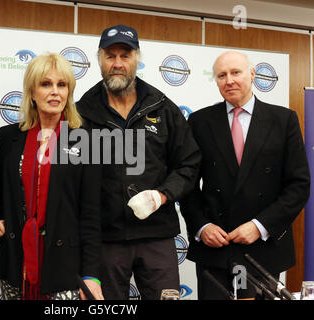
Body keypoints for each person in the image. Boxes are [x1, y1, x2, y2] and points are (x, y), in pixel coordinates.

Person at [76, 24, 201, 300]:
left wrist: (162, 195)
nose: (118, 64)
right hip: (104, 242)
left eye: (125, 55)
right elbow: (70, 181)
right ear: (99, 59)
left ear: (137, 59)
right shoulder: (80, 114)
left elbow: (189, 164)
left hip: (157, 237)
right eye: (110, 56)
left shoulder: (163, 107)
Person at [180, 50, 311, 300]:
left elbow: (298, 185)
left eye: (235, 72)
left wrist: (259, 226)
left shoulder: (283, 120)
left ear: (252, 75)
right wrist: (202, 226)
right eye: (221, 75)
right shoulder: (199, 121)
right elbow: (187, 183)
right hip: (215, 248)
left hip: (263, 249)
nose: (229, 80)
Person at [0, 53, 103, 300]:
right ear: (32, 92)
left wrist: (91, 275)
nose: (55, 92)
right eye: (46, 84)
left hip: (64, 267)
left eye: (62, 85)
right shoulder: (8, 137)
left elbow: (91, 214)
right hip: (15, 264)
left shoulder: (85, 140)